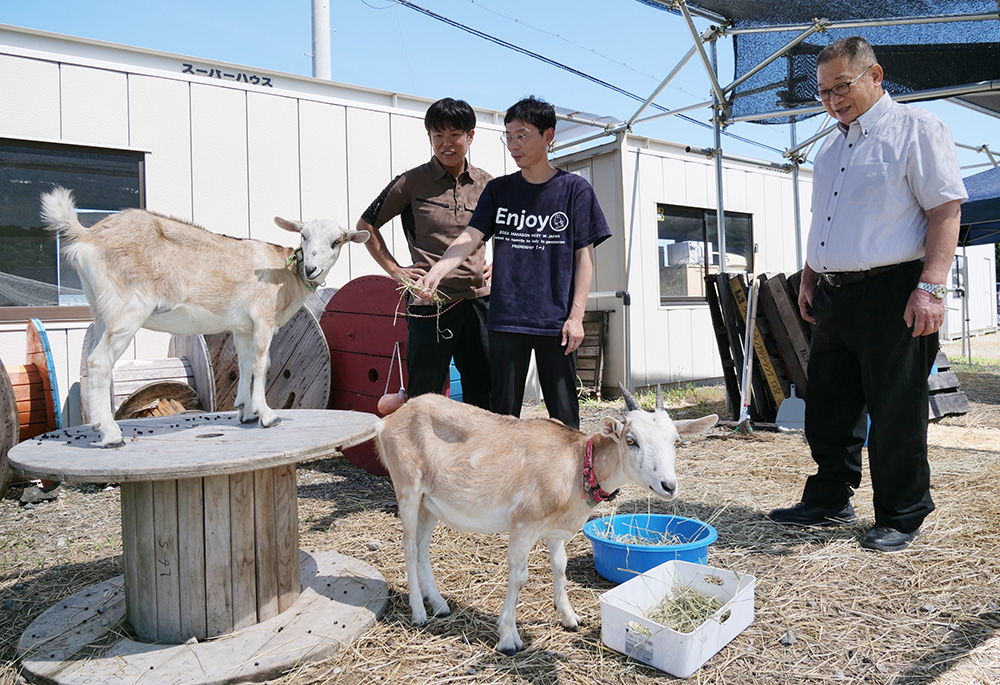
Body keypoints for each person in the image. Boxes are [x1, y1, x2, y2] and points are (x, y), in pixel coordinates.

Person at [767, 37, 967, 552]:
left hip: (895, 291)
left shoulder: (917, 130)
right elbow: (823, 223)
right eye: (824, 91)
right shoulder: (830, 146)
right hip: (834, 293)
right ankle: (831, 496)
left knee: (895, 408)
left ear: (875, 75)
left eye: (842, 86)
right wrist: (809, 277)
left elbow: (945, 211)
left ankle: (902, 513)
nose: (833, 100)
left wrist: (930, 287)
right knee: (829, 406)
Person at [415, 96, 611, 429]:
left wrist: (576, 317)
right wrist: (437, 271)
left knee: (564, 418)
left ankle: (573, 480)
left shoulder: (574, 189)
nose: (513, 145)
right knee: (501, 418)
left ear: (548, 136)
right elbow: (470, 236)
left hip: (556, 322)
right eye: (508, 136)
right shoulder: (499, 190)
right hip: (506, 320)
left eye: (522, 135)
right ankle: (501, 481)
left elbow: (585, 257)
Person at [358, 97, 492, 409]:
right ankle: (422, 458)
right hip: (429, 305)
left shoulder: (487, 184)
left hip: (479, 302)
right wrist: (395, 270)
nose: (447, 144)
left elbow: (509, 232)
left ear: (470, 136)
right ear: (429, 137)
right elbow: (366, 226)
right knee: (425, 398)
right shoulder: (411, 182)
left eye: (455, 135)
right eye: (438, 136)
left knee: (484, 393)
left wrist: (500, 265)